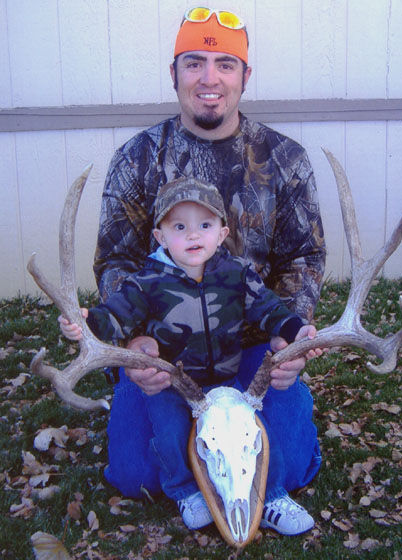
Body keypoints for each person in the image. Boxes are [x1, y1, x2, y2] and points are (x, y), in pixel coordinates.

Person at [93, 7, 326, 535]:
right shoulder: (138, 158)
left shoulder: (285, 159)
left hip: (251, 348)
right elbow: (115, 261)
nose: (209, 78)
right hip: (166, 354)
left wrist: (291, 337)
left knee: (291, 461)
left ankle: (253, 481)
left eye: (225, 63)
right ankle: (200, 473)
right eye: (194, 62)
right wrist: (135, 345)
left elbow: (304, 259)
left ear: (245, 76)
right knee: (134, 475)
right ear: (173, 72)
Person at [60, 177, 317, 533]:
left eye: (205, 225)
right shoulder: (146, 283)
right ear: (161, 237)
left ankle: (269, 496)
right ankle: (185, 490)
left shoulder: (237, 274)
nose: (193, 235)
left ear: (222, 233)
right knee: (168, 428)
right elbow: (114, 318)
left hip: (228, 383)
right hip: (174, 384)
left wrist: (296, 330)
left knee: (254, 432)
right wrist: (87, 323)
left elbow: (270, 310)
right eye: (180, 227)